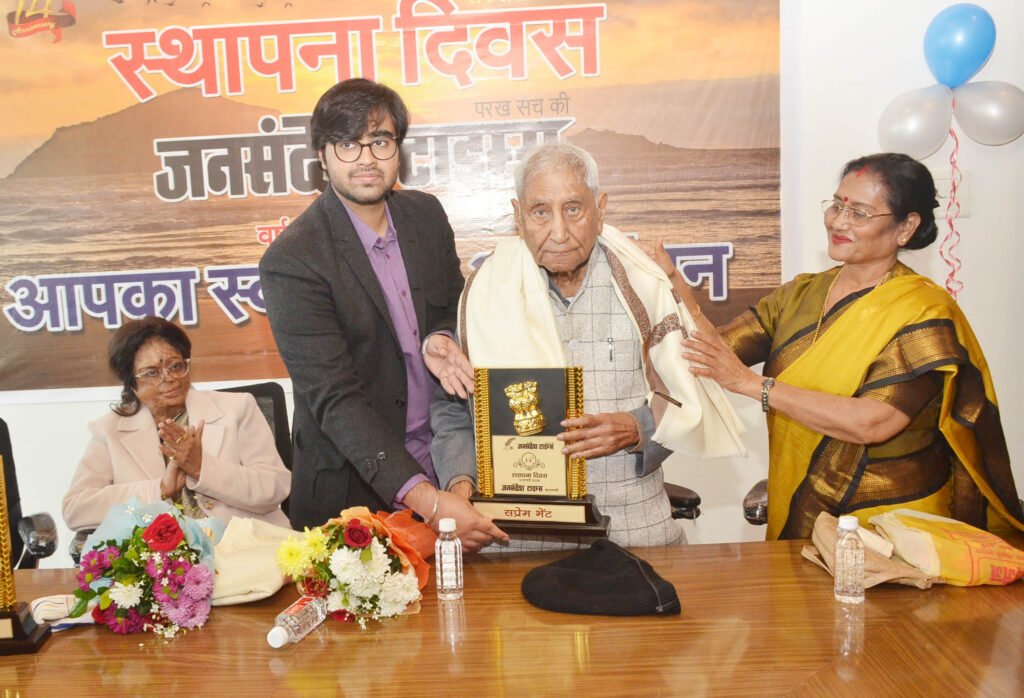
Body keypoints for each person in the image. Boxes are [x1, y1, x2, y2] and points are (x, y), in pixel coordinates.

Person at [671, 152, 1024, 540]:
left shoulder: (922, 312)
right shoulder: (801, 295)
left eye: (859, 213)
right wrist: (672, 283)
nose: (838, 221)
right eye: (837, 205)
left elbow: (873, 421)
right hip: (803, 509)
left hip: (894, 530)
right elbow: (714, 352)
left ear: (906, 227)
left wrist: (754, 386)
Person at [431, 143, 746, 549]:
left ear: (600, 209)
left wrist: (637, 427)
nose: (559, 232)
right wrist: (460, 483)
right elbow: (454, 407)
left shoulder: (644, 284)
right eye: (540, 212)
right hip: (517, 533)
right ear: (518, 216)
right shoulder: (486, 291)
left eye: (573, 209)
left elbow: (690, 393)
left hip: (633, 528)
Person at [259, 78, 506, 551]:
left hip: (442, 455)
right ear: (322, 156)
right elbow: (335, 399)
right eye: (347, 144)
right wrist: (427, 501)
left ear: (398, 149)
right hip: (354, 485)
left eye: (380, 140)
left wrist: (437, 337)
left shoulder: (425, 216)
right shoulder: (293, 259)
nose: (366, 158)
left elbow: (450, 305)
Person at [63, 317, 290, 531]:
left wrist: (201, 468)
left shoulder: (237, 408)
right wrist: (159, 490)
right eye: (152, 372)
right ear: (131, 383)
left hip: (243, 546)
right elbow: (76, 508)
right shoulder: (110, 430)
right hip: (161, 556)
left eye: (175, 366)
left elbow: (274, 487)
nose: (170, 378)